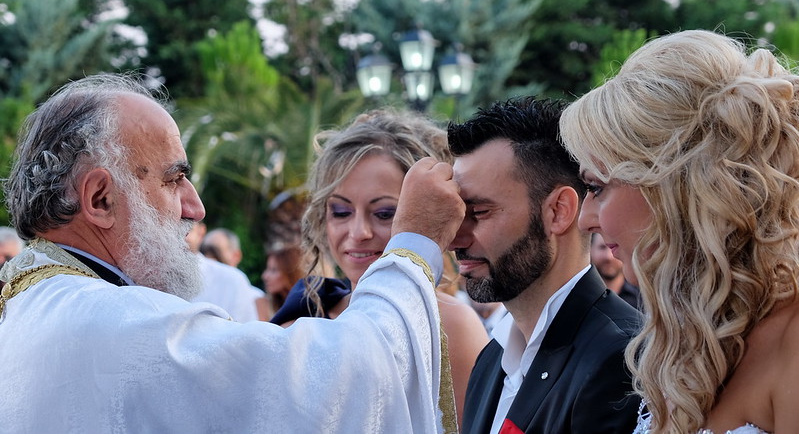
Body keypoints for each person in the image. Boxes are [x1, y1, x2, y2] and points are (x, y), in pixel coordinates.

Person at [0, 74, 463, 433]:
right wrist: (413, 243)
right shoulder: (114, 325)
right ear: (100, 199)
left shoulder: (41, 307)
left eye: (383, 213)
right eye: (173, 179)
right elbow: (353, 377)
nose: (195, 207)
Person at [559, 29, 799, 434]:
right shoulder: (681, 337)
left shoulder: (792, 338)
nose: (585, 220)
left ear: (671, 189)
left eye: (597, 188)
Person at [277, 108, 490, 429]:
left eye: (385, 213)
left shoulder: (452, 326)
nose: (358, 232)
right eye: (341, 211)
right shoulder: (305, 313)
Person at [448, 97, 642, 434]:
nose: (455, 238)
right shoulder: (491, 358)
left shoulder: (621, 357)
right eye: (454, 214)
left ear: (558, 211)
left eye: (478, 212)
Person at [187, 222, 259, 322]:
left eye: (187, 226)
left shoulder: (234, 281)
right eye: (207, 251)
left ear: (201, 232)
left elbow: (244, 329)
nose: (212, 258)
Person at [590, 232, 641, 309]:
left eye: (614, 247)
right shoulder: (580, 297)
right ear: (591, 251)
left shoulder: (642, 298)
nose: (608, 257)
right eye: (602, 247)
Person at [256, 243, 305, 320]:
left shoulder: (308, 306)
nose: (265, 276)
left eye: (273, 270)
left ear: (290, 273)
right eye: (267, 269)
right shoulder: (263, 304)